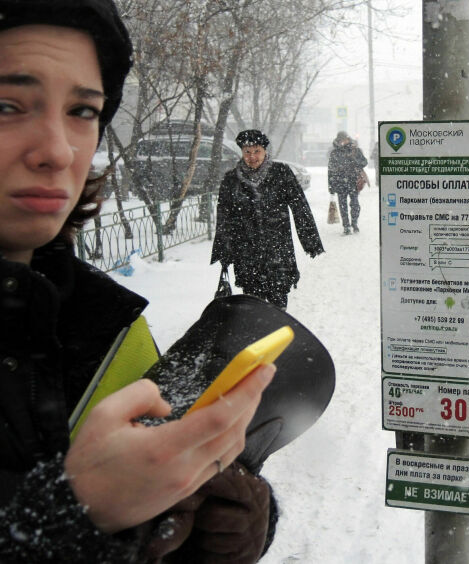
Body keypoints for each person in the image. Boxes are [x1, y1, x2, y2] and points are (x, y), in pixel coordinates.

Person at [0, 1, 276, 561]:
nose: (57, 150)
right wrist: (73, 513)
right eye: (6, 105)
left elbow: (154, 488)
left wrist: (217, 514)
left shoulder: (105, 323)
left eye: (82, 110)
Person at [211, 129, 324, 310]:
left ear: (265, 151)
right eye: (247, 152)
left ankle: (277, 334)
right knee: (253, 305)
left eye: (257, 151)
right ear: (241, 152)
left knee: (278, 305)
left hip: (278, 251)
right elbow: (225, 217)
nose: (252, 156)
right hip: (246, 254)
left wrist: (310, 241)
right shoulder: (231, 180)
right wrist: (224, 250)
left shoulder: (281, 173)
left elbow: (300, 207)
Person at [328, 131, 368, 234]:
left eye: (345, 139)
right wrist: (331, 186)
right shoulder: (334, 153)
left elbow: (364, 162)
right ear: (338, 141)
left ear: (348, 139)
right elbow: (330, 170)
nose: (343, 142)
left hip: (353, 181)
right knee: (342, 206)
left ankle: (354, 223)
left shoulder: (355, 150)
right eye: (341, 140)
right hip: (339, 182)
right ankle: (346, 226)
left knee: (355, 204)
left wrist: (355, 161)